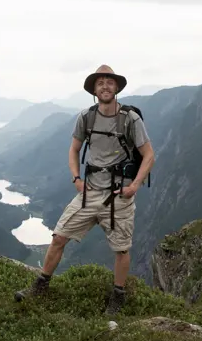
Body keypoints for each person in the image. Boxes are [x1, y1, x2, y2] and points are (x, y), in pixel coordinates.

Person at [14, 64, 155, 316]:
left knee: (121, 249)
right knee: (59, 237)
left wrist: (133, 186)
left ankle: (118, 296)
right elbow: (73, 149)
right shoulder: (86, 117)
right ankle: (41, 285)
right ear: (94, 89)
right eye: (100, 82)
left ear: (117, 87)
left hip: (118, 195)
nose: (105, 86)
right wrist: (76, 179)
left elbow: (149, 155)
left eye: (109, 82)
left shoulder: (130, 119)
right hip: (88, 192)